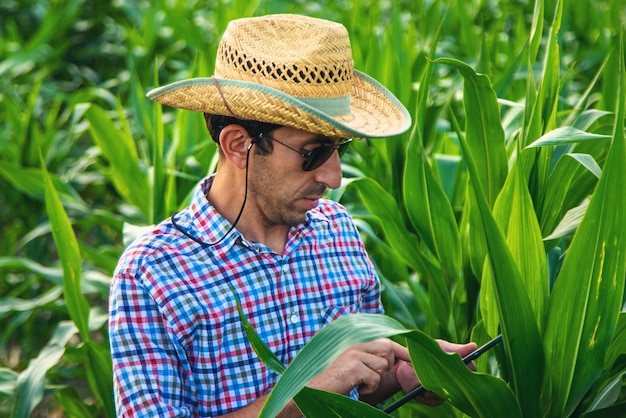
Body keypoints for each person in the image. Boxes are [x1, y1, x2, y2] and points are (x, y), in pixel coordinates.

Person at [109, 13, 477, 417]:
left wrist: (404, 376)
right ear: (238, 145)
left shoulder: (338, 232)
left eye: (341, 148)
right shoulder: (153, 273)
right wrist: (310, 389)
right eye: (314, 152)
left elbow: (350, 390)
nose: (334, 177)